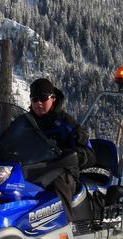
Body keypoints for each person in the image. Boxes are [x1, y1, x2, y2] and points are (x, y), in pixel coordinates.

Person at [25, 78, 93, 221]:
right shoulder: (25, 123)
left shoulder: (65, 123)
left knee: (58, 181)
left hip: (62, 173)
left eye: (43, 98)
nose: (38, 103)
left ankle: (63, 227)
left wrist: (76, 155)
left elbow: (89, 153)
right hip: (30, 173)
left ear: (53, 98)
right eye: (34, 99)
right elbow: (10, 144)